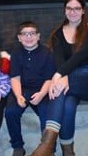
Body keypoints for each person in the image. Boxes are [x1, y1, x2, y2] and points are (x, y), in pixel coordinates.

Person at [30, 0, 88, 156]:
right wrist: (62, 76)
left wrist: (60, 76)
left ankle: (46, 145)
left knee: (59, 87)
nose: (73, 12)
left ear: (83, 10)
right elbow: (59, 61)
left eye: (77, 8)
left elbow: (82, 55)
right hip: (67, 82)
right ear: (64, 10)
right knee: (68, 105)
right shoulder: (57, 34)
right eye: (69, 8)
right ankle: (67, 151)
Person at [5, 21, 56, 156]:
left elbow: (49, 79)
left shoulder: (47, 52)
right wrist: (18, 95)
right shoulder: (16, 52)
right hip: (22, 89)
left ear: (38, 36)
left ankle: (48, 148)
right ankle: (18, 146)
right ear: (19, 38)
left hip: (42, 89)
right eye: (25, 34)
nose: (29, 37)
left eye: (32, 34)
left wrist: (41, 94)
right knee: (11, 112)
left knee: (47, 113)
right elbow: (15, 77)